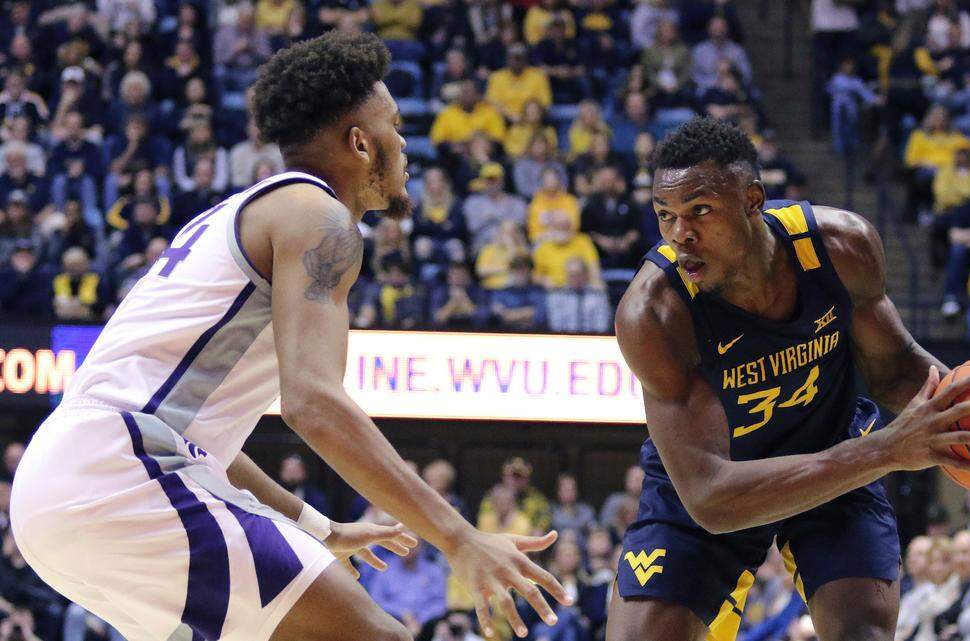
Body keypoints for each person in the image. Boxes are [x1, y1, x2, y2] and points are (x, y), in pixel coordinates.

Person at [10, 33, 569, 641]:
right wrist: (458, 538)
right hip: (120, 469)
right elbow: (313, 404)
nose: (405, 144)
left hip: (66, 488)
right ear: (359, 142)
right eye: (395, 126)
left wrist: (317, 527)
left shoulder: (241, 211)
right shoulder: (319, 216)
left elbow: (198, 441)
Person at [605, 117, 970, 641]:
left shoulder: (839, 246)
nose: (679, 235)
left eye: (700, 211)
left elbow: (894, 370)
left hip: (832, 459)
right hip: (719, 479)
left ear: (753, 201)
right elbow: (710, 498)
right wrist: (886, 451)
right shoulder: (654, 313)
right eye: (665, 216)